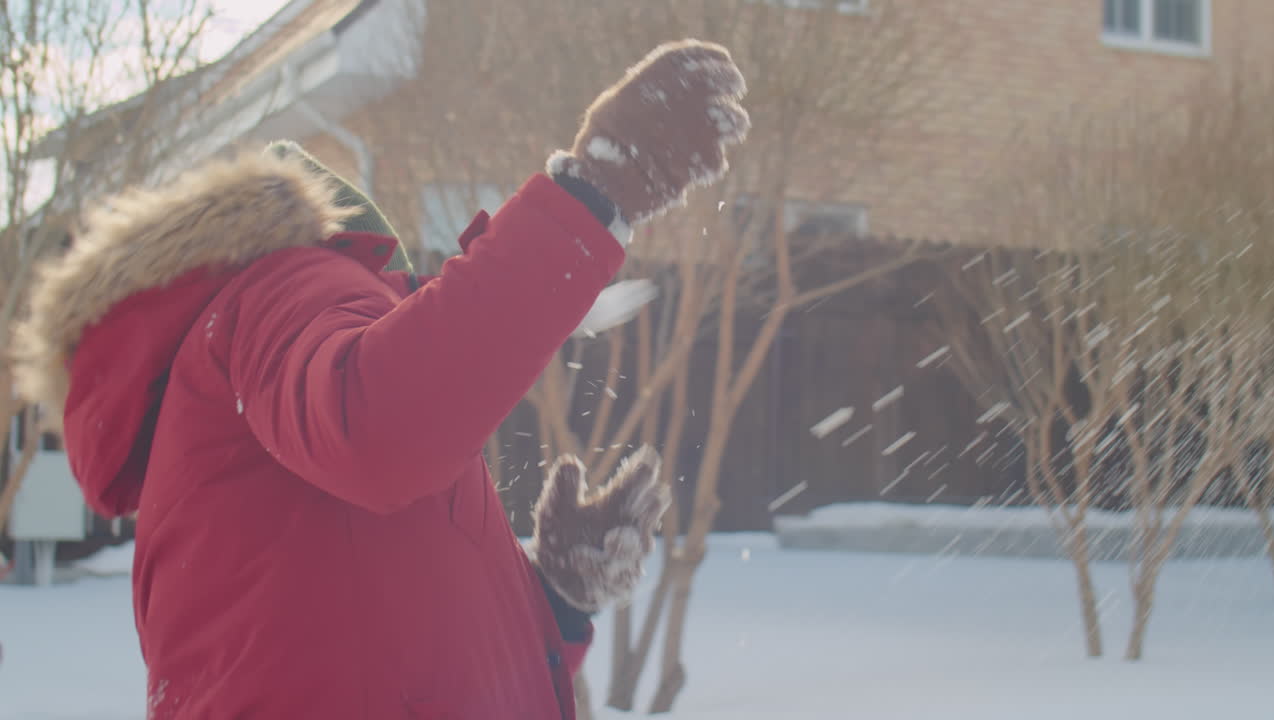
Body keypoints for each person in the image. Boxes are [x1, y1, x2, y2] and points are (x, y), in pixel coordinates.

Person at [12, 40, 749, 719]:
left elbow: (365, 632)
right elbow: (379, 428)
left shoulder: (226, 384)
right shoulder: (282, 284)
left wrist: (553, 600)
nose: (397, 310)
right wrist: (594, 194)